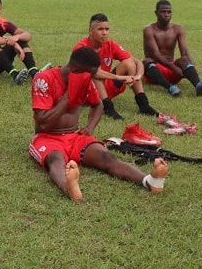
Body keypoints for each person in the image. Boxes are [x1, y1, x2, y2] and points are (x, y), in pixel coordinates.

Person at [30, 46, 168, 201]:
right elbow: (42, 124)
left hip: (75, 136)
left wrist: (90, 127)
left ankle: (149, 181)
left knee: (106, 156)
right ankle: (69, 188)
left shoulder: (84, 80)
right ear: (76, 69)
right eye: (91, 74)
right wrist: (68, 97)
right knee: (56, 160)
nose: (93, 79)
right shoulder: (44, 79)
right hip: (47, 137)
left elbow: (98, 105)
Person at [74, 13, 159, 120]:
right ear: (90, 31)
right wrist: (120, 78)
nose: (104, 33)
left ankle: (143, 104)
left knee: (129, 63)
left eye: (107, 29)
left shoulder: (110, 44)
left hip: (103, 89)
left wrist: (138, 75)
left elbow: (136, 61)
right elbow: (95, 72)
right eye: (100, 29)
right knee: (96, 72)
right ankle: (108, 108)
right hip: (85, 94)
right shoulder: (81, 48)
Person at [142, 0, 202, 97]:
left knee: (184, 60)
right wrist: (173, 67)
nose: (166, 14)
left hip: (172, 70)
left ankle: (198, 86)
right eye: (163, 11)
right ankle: (170, 87)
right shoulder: (149, 30)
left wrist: (190, 67)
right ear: (156, 13)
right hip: (154, 73)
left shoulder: (178, 29)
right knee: (146, 61)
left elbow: (184, 51)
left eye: (169, 12)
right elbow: (155, 54)